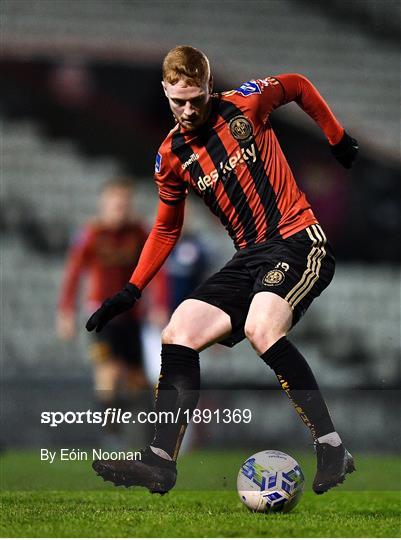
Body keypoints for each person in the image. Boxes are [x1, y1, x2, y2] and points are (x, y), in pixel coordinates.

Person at [86, 46, 358, 494]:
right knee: (178, 332)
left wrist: (336, 135)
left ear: (210, 87)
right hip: (247, 256)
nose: (189, 109)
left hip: (297, 240)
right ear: (165, 93)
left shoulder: (245, 104)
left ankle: (331, 448)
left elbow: (298, 85)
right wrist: (132, 289)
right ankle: (159, 461)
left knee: (261, 328)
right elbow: (166, 228)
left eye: (196, 98)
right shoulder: (170, 156)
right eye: (179, 101)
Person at [57, 177, 150, 444]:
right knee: (108, 369)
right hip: (101, 314)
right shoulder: (91, 234)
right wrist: (66, 311)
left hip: (132, 315)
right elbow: (74, 273)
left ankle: (137, 433)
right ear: (104, 204)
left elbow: (158, 267)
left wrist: (158, 304)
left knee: (136, 378)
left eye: (124, 203)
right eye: (115, 203)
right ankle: (111, 433)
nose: (119, 208)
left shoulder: (138, 232)